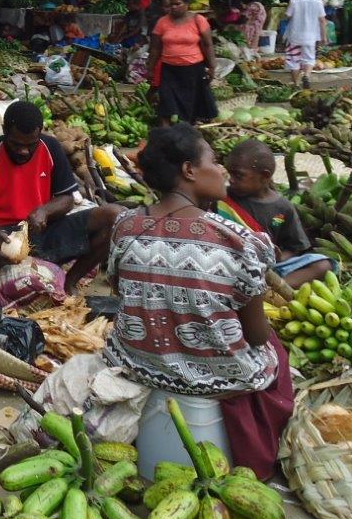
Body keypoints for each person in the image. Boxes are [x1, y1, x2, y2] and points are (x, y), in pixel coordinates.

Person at [104, 124, 293, 480]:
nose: (221, 170)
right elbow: (254, 336)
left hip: (139, 362)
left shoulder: (125, 226)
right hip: (214, 379)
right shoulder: (238, 240)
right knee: (276, 353)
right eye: (214, 160)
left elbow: (120, 291)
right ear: (189, 170)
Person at [0, 101, 122, 293]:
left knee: (115, 215)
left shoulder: (51, 147)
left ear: (39, 133)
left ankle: (69, 282)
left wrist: (44, 211)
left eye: (31, 145)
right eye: (16, 144)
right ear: (4, 131)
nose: (24, 151)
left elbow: (67, 198)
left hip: (40, 228)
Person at [221, 139, 335, 287]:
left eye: (238, 175)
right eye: (229, 174)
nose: (231, 180)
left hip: (269, 268)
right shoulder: (223, 199)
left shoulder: (282, 208)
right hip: (230, 264)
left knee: (323, 265)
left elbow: (295, 247)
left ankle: (272, 290)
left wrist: (275, 259)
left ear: (265, 176)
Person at [148, 0, 217, 125]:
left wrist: (212, 66)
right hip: (169, 70)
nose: (173, 7)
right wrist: (150, 68)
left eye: (177, 4)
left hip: (193, 69)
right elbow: (155, 47)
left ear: (187, 4)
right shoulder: (162, 22)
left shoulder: (198, 20)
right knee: (166, 105)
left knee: (191, 106)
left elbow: (208, 44)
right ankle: (166, 136)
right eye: (171, 4)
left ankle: (189, 134)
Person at [284, 0, 327, 88]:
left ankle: (296, 84)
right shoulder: (318, 2)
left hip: (294, 35)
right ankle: (306, 76)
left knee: (294, 60)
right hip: (310, 37)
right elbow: (322, 20)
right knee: (309, 59)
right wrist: (324, 37)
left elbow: (287, 16)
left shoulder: (294, 0)